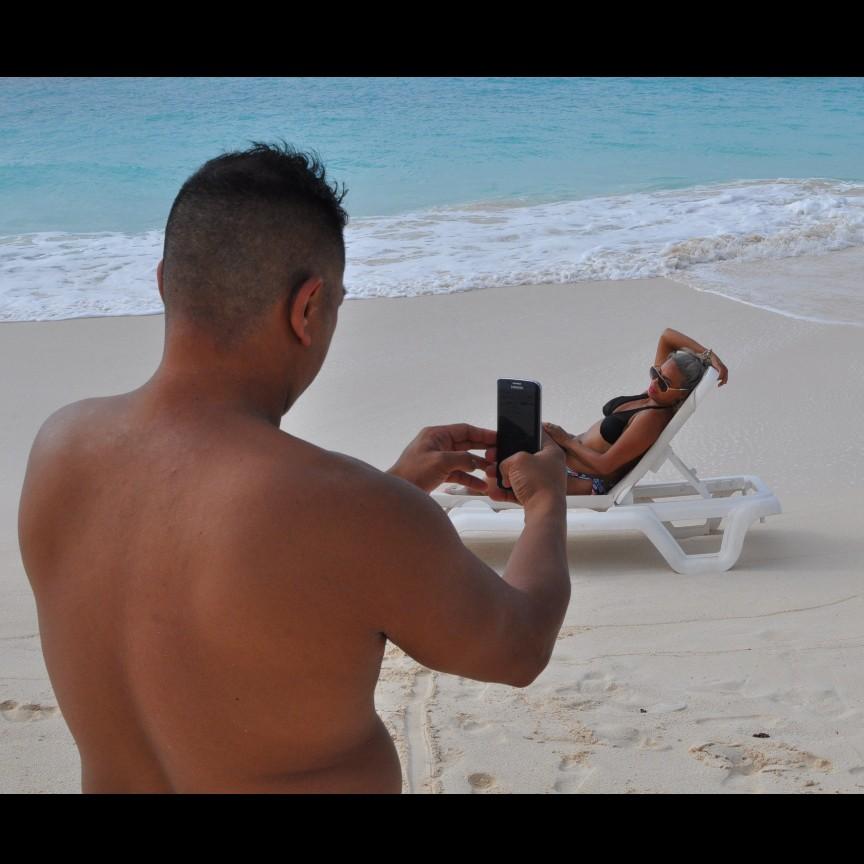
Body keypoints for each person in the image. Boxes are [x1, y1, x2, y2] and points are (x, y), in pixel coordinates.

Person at [16, 143, 570, 794]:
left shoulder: (60, 447)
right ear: (307, 308)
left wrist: (389, 489)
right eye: (336, 304)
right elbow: (519, 646)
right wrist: (547, 502)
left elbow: (223, 576)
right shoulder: (353, 512)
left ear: (164, 281)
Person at [542, 330, 728, 496]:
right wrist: (709, 356)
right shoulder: (654, 396)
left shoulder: (652, 419)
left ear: (682, 395)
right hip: (564, 455)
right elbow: (667, 337)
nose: (654, 383)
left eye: (664, 383)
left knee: (523, 463)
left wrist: (566, 440)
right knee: (524, 425)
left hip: (581, 477)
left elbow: (605, 465)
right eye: (655, 373)